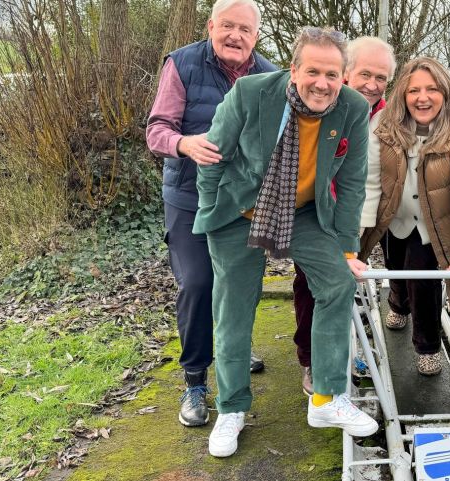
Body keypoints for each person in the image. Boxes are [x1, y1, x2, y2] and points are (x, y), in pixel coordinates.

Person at [193, 26, 378, 458]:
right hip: (242, 210)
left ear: (343, 76)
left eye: (332, 74)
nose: (322, 83)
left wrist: (347, 249)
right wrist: (210, 210)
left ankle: (326, 398)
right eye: (313, 71)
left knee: (338, 283)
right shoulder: (251, 93)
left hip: (305, 212)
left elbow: (353, 183)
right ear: (294, 70)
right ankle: (231, 408)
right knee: (233, 310)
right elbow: (213, 156)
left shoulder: (352, 108)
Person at [145, 0, 275, 428]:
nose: (235, 35)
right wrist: (184, 144)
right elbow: (157, 130)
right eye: (228, 26)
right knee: (198, 283)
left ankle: (232, 348)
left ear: (256, 35)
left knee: (240, 283)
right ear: (211, 26)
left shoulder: (269, 75)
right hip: (188, 197)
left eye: (245, 29)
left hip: (244, 202)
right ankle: (195, 381)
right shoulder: (182, 64)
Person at [359, 57, 450, 376]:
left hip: (434, 221)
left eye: (432, 89)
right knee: (395, 266)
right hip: (394, 215)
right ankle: (398, 304)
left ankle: (427, 346)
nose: (422, 98)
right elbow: (370, 183)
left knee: (424, 280)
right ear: (403, 93)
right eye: (414, 90)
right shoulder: (382, 124)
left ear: (445, 92)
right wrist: (353, 238)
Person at [291, 36, 396, 396]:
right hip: (318, 215)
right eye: (365, 74)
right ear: (347, 72)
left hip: (368, 214)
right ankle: (312, 359)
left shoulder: (390, 116)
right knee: (312, 284)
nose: (372, 84)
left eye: (381, 77)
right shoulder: (321, 104)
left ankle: (354, 344)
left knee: (352, 282)